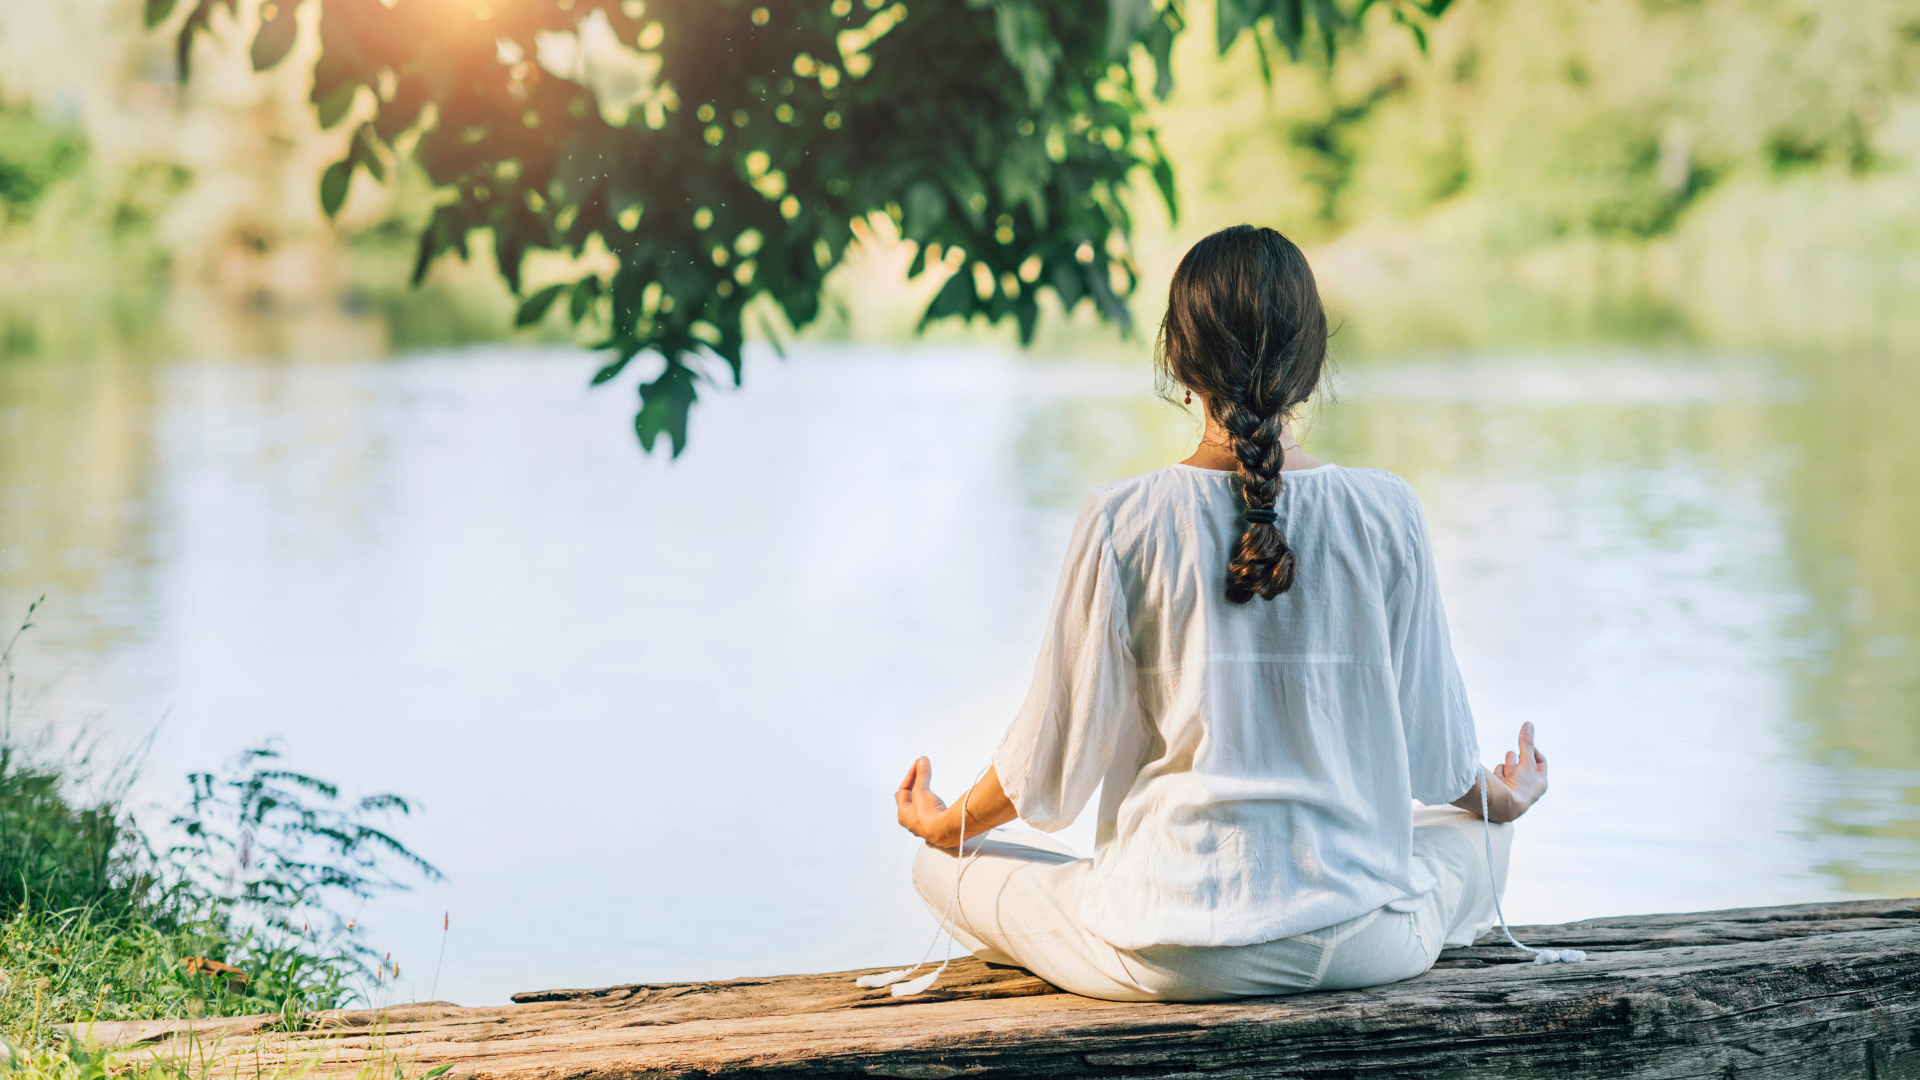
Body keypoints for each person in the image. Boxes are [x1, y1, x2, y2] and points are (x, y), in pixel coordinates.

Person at [890, 224, 1551, 1003]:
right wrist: (1505, 800)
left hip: (1166, 954)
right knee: (1477, 839)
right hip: (1359, 942)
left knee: (936, 868)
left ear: (1177, 358)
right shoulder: (1387, 510)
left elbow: (1051, 766)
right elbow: (1441, 762)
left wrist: (946, 825)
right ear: (1313, 362)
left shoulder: (1121, 519)